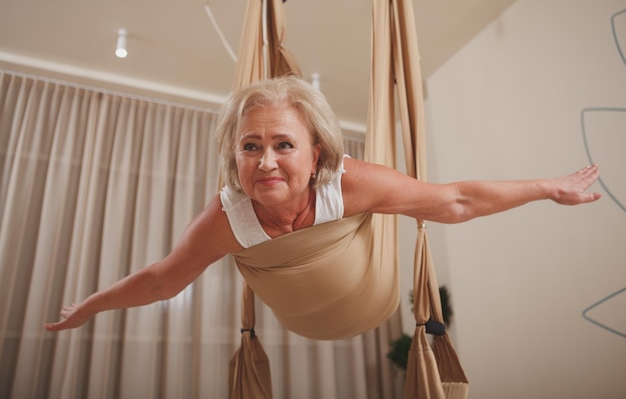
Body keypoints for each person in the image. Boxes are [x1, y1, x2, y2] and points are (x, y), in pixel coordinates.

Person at [45, 76, 601, 332]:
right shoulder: (227, 218)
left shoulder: (350, 184)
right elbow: (164, 280)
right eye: (250, 147)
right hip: (303, 320)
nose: (265, 163)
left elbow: (452, 200)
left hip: (371, 298)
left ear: (316, 156)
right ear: (234, 158)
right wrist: (92, 306)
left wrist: (546, 188)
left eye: (283, 145)